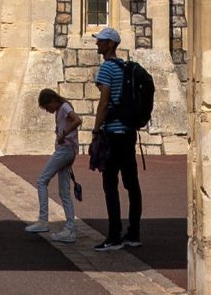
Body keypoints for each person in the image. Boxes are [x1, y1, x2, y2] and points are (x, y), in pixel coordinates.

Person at [89, 24, 142, 253]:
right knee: (131, 183)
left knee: (110, 184)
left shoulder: (107, 69)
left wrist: (95, 128)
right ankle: (134, 233)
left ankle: (114, 235)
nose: (97, 44)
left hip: (113, 132)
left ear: (110, 44)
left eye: (101, 41)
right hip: (129, 133)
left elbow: (104, 101)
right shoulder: (125, 67)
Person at [23, 85, 79, 241]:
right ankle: (70, 227)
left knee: (42, 181)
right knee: (64, 191)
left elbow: (77, 120)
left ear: (53, 100)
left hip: (65, 150)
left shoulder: (65, 107)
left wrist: (63, 134)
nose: (48, 110)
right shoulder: (61, 109)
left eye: (48, 106)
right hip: (67, 150)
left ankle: (43, 220)